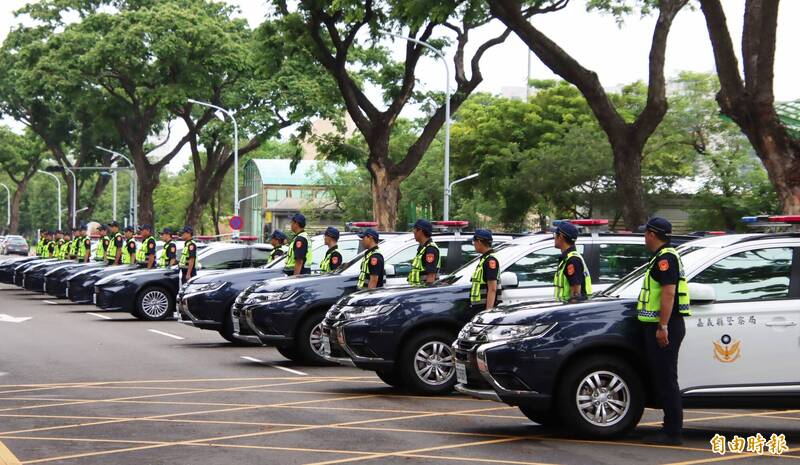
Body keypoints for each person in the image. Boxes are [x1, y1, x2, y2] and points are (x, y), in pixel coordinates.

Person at [638, 217, 691, 446]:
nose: (644, 237)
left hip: (666, 326)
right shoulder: (662, 256)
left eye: (645, 233)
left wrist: (663, 326)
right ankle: (670, 428)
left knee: (667, 379)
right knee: (663, 378)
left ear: (652, 234)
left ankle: (672, 432)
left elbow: (669, 293)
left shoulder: (666, 258)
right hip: (661, 325)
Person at [553, 221, 592, 302]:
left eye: (555, 235)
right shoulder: (567, 258)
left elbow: (575, 296)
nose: (554, 238)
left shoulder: (573, 261)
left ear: (560, 236)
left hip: (570, 308)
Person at [470, 229, 500, 311]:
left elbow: (492, 289)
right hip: (479, 307)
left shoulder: (490, 261)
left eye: (474, 242)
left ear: (479, 242)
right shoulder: (484, 259)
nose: (473, 244)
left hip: (484, 309)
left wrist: (488, 312)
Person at [408, 219, 440, 285]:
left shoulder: (430, 250)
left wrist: (426, 290)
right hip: (418, 289)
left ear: (420, 231)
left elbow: (431, 276)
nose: (413, 232)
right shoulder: (423, 248)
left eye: (414, 229)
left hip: (424, 290)